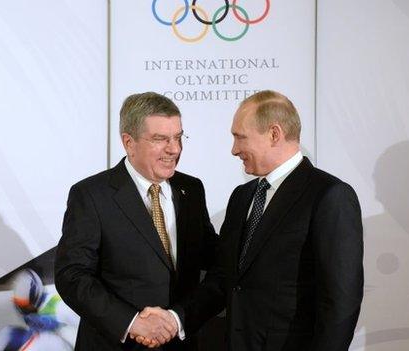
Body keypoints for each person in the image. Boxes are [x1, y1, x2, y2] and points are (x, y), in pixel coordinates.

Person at [139, 90, 363, 350]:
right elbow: (224, 279)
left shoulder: (328, 195)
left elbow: (340, 300)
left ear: (274, 134)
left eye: (240, 137)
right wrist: (175, 319)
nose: (234, 150)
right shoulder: (242, 197)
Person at [55, 92, 217, 350]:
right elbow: (72, 275)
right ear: (129, 142)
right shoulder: (92, 195)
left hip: (179, 343)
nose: (174, 148)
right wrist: (132, 322)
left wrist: (177, 319)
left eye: (177, 137)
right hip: (114, 345)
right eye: (160, 139)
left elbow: (213, 262)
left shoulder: (192, 190)